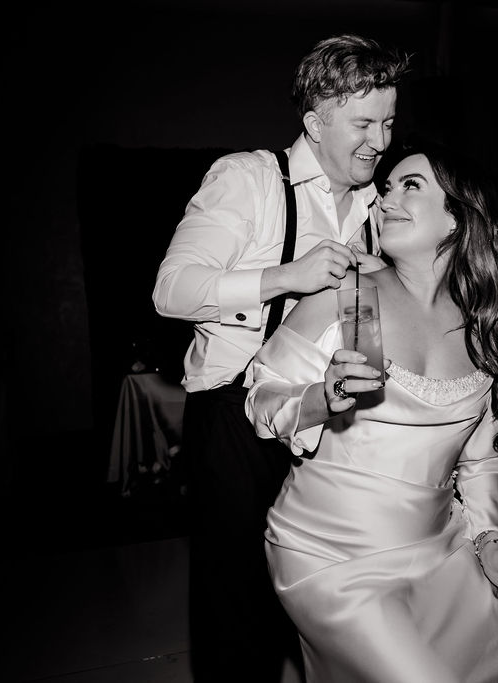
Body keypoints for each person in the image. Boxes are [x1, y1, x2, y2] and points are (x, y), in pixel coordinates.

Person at [151, 34, 410, 683]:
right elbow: (170, 290)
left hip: (338, 426)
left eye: (388, 121)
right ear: (315, 119)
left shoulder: (382, 209)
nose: (380, 140)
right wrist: (282, 276)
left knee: (335, 609)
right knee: (237, 615)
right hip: (238, 423)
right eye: (363, 123)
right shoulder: (250, 179)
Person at [245, 140, 498, 682]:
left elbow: (481, 461)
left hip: (441, 552)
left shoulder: (484, 327)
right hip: (327, 555)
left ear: (458, 219)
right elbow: (260, 392)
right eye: (386, 187)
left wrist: (490, 543)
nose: (385, 199)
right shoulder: (350, 299)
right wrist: (319, 399)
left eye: (411, 186)